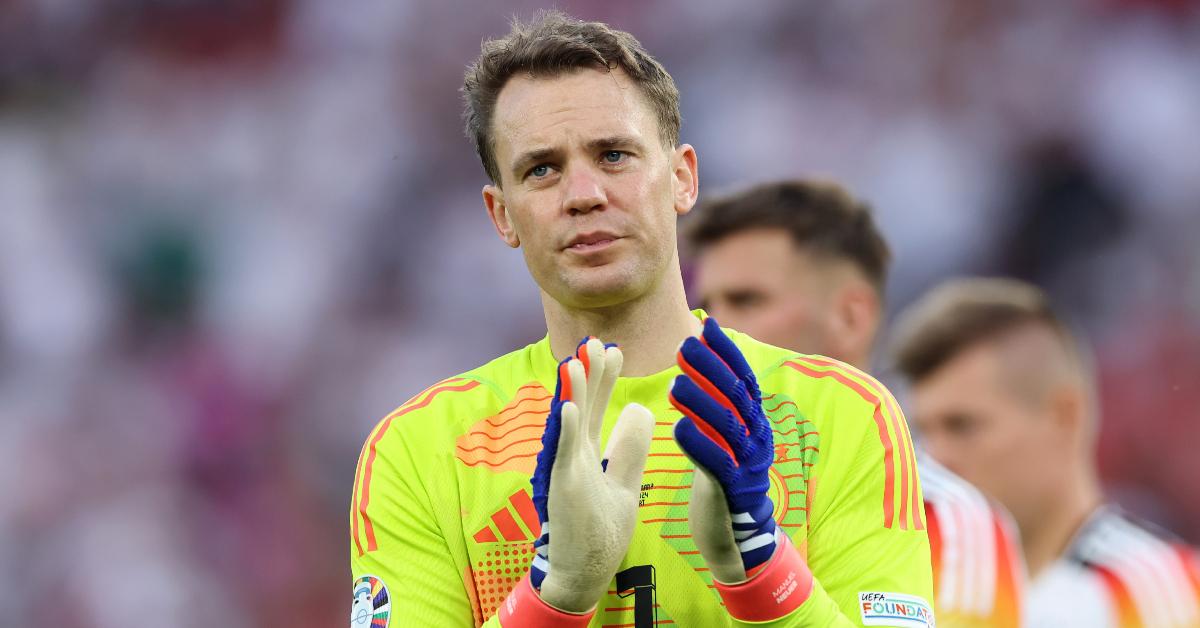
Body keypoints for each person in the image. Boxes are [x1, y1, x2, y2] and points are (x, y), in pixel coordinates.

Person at [349, 12, 933, 628]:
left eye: (614, 155)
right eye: (541, 169)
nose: (582, 193)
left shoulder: (841, 415)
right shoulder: (421, 451)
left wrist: (763, 570)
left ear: (682, 179)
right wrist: (555, 593)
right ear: (503, 216)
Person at [685, 180, 1025, 627]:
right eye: (705, 306)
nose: (712, 328)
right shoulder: (667, 486)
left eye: (747, 300)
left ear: (850, 318)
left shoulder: (952, 524)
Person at [890, 278, 1200, 628]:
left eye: (962, 426)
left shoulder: (1150, 594)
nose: (935, 457)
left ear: (1064, 416)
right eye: (921, 431)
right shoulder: (912, 587)